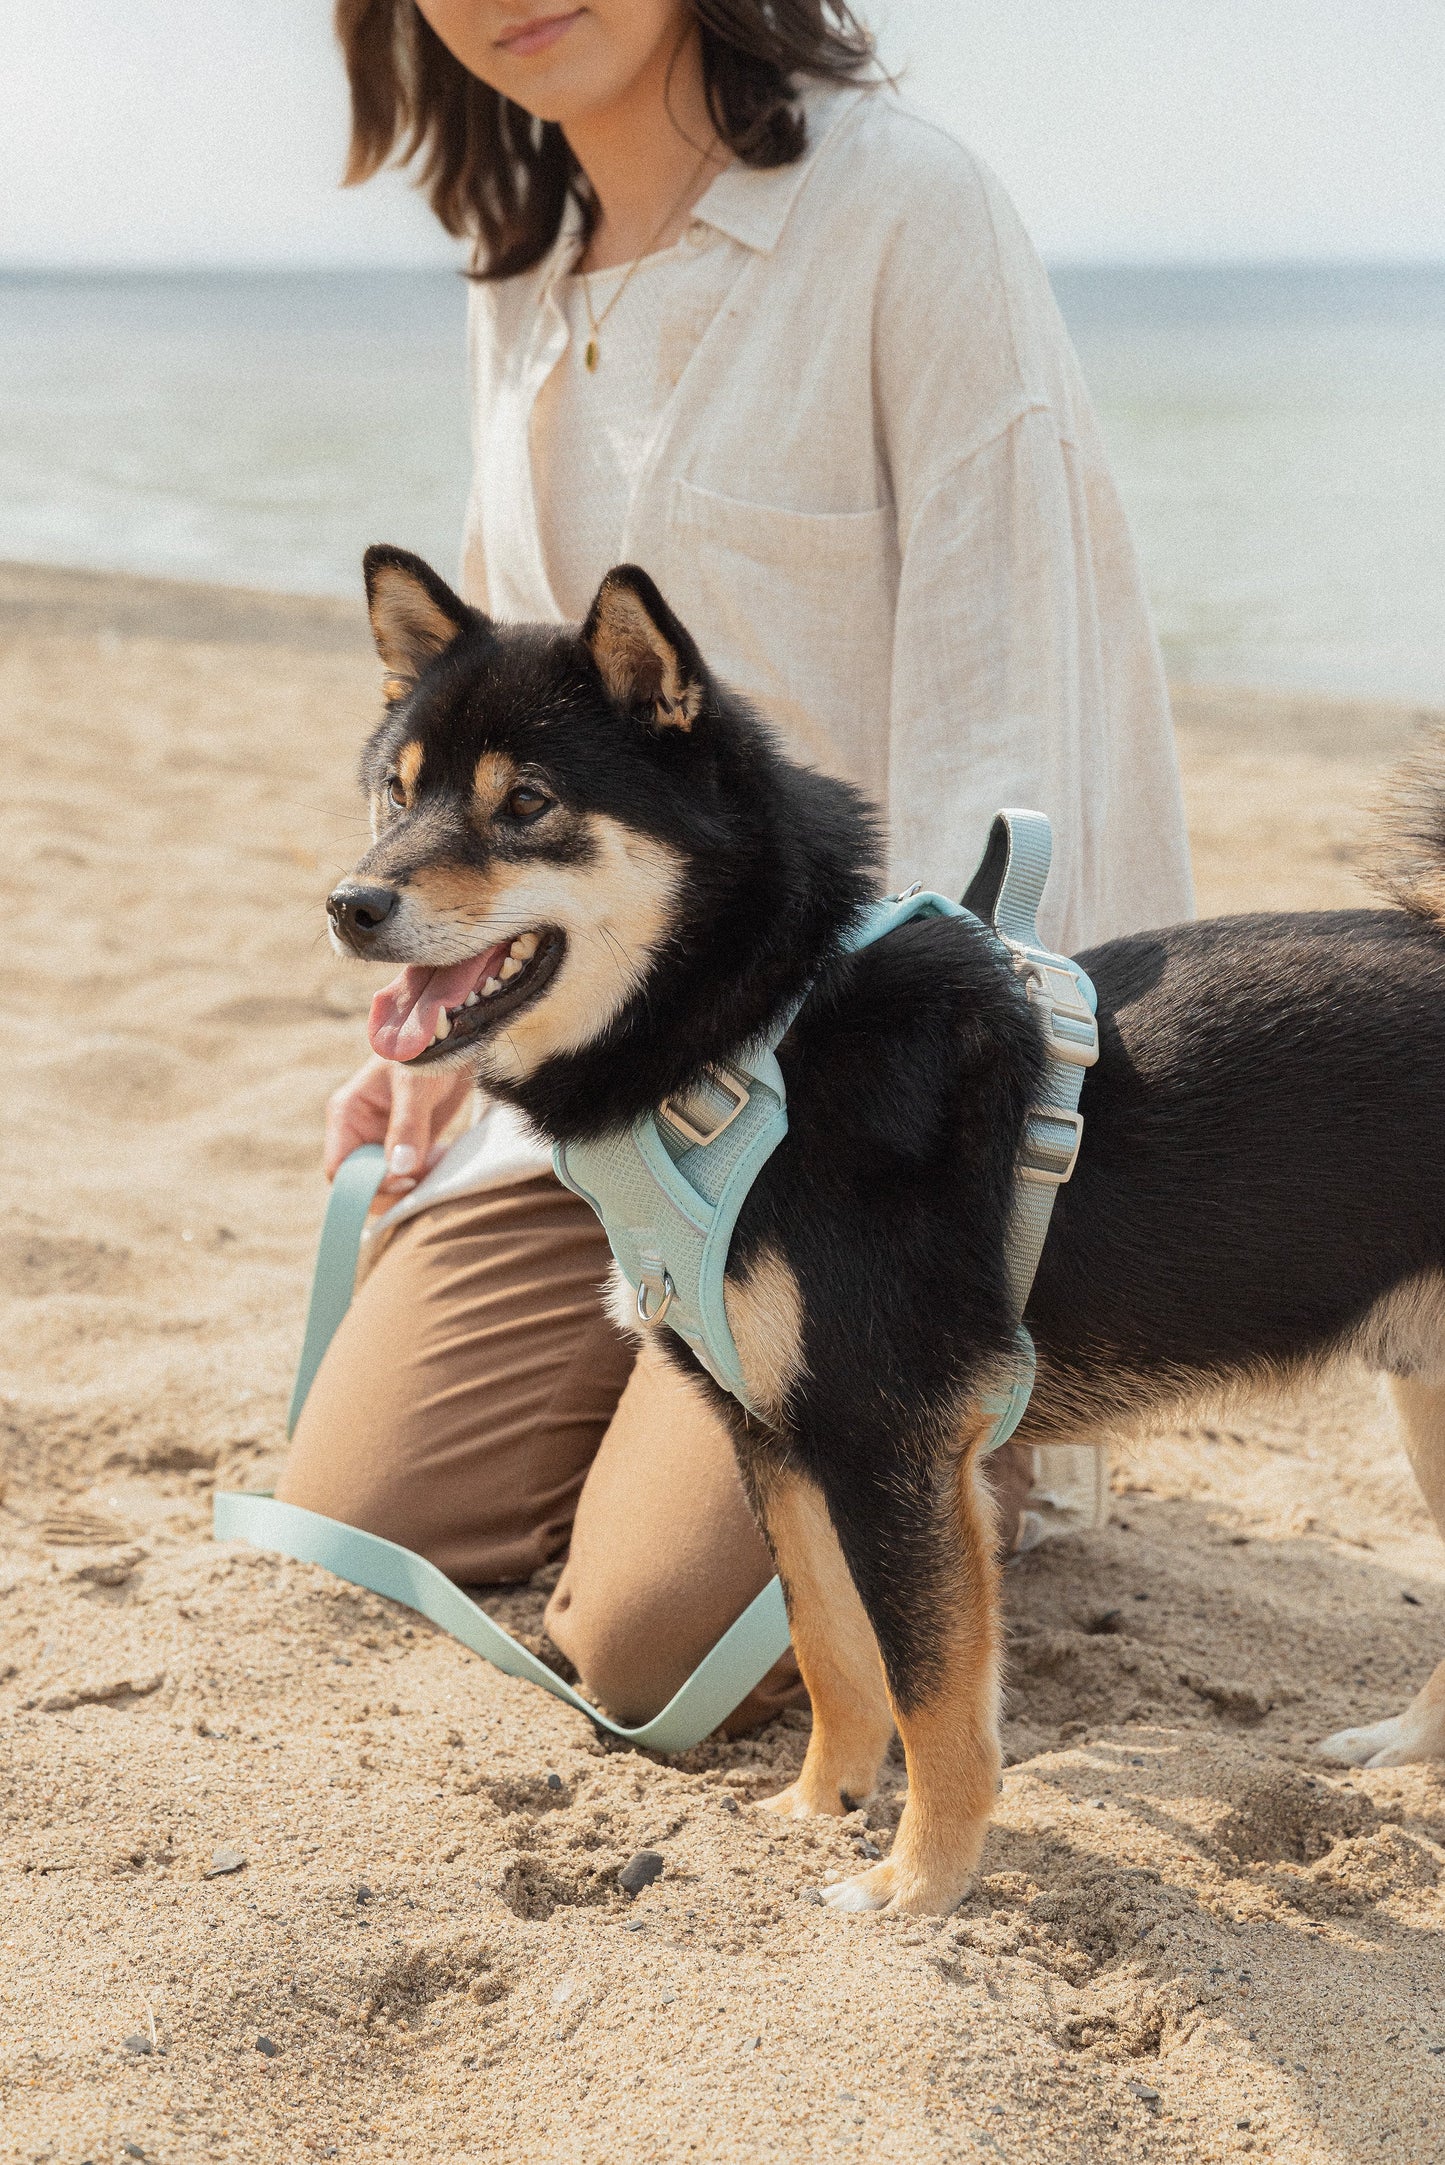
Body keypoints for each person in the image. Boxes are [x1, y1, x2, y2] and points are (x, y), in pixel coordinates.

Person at [278, 0, 1194, 1731]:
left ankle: (946, 1431)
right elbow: (500, 708)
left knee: (638, 1646)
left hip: (861, 1109)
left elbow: (1013, 729)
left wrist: (955, 1168)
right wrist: (434, 1012)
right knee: (349, 1521)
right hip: (595, 1080)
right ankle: (664, 1421)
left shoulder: (906, 212)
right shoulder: (518, 260)